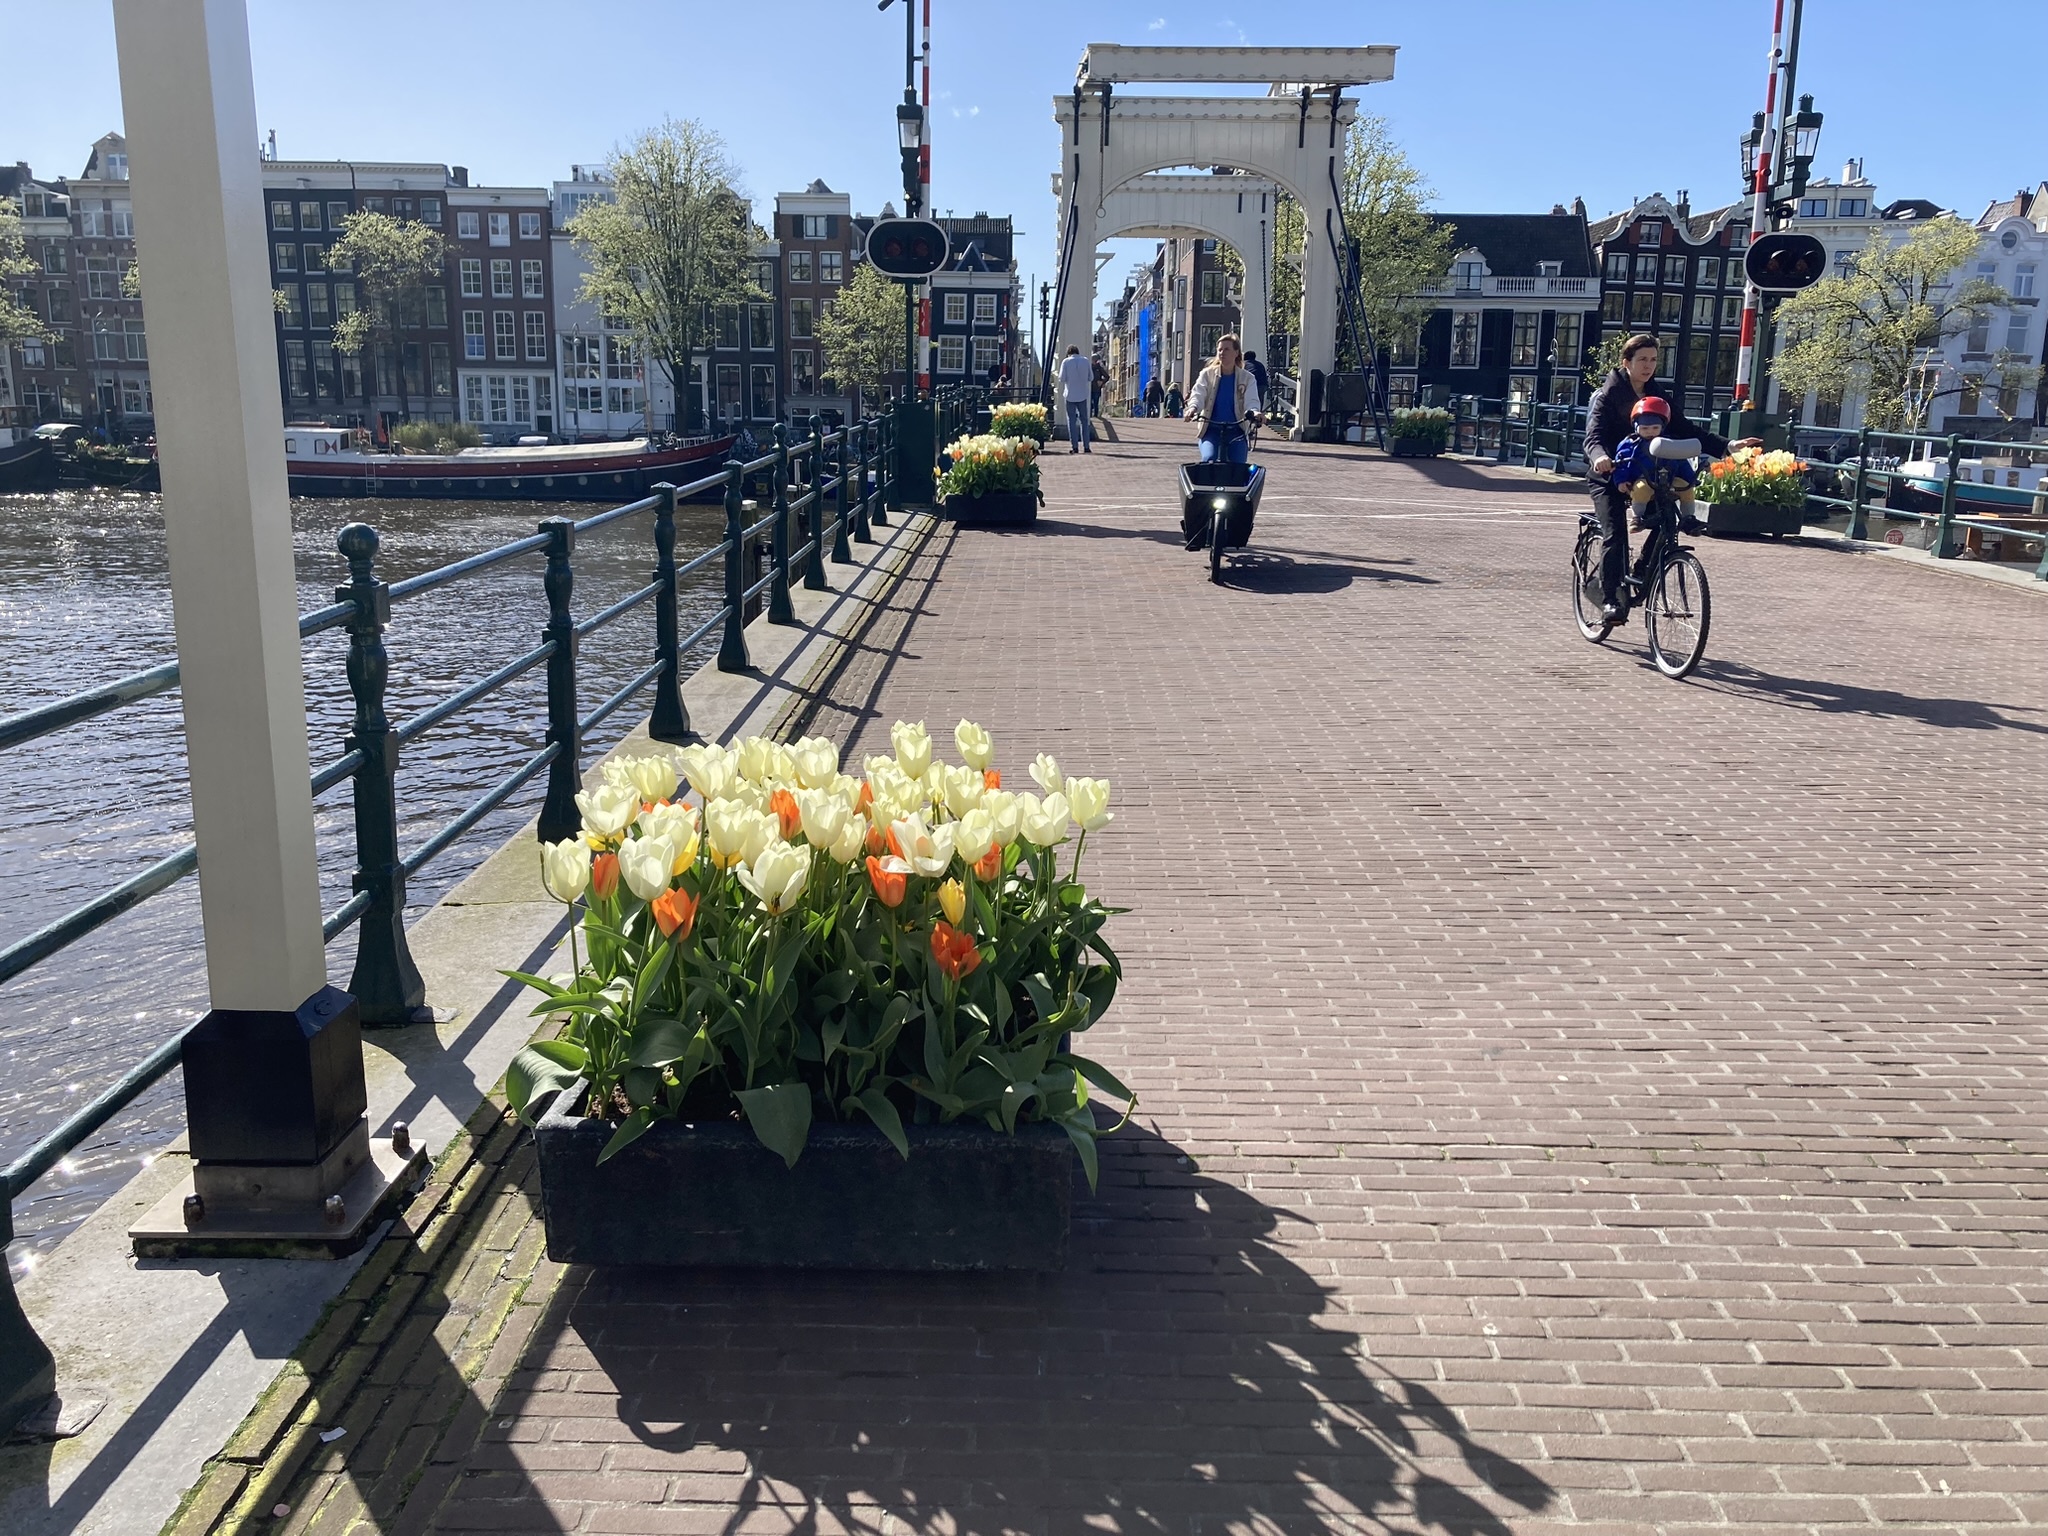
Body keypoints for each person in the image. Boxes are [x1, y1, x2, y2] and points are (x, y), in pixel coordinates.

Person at [1584, 334, 1754, 622]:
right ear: (1626, 362)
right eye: (1642, 360)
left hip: (1649, 473)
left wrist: (1727, 445)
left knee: (1668, 519)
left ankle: (1641, 569)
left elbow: (1687, 430)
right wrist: (1600, 456)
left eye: (1653, 359)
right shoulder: (1607, 395)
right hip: (1613, 473)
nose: (1648, 366)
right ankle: (1610, 598)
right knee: (1616, 533)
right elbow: (1594, 436)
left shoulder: (1658, 397)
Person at [1610, 396, 1703, 532]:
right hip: (1646, 479)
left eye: (1655, 428)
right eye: (1645, 428)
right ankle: (1637, 518)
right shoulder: (1631, 444)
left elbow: (1681, 461)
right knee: (1640, 489)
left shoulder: (1669, 443)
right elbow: (1622, 462)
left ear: (1662, 427)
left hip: (1669, 481)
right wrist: (1621, 480)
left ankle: (1688, 518)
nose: (1650, 432)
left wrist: (1691, 478)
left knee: (1686, 489)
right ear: (1636, 427)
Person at [1184, 333, 1263, 465]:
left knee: (1238, 465)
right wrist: (1192, 408)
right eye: (1219, 349)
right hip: (1211, 430)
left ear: (1236, 352)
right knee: (1209, 460)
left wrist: (1255, 412)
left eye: (1226, 349)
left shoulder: (1247, 378)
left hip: (1236, 431)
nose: (1222, 353)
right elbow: (1198, 393)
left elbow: (1251, 400)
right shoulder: (1207, 374)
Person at [1057, 345, 1094, 453]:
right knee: (1084, 420)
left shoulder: (1066, 362)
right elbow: (1090, 377)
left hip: (1070, 395)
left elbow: (1061, 378)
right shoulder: (1085, 361)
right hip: (1083, 394)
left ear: (1068, 352)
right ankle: (1086, 446)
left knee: (1071, 421)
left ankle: (1075, 446)